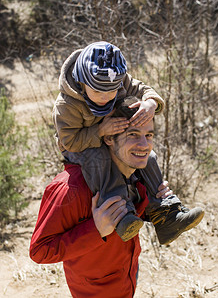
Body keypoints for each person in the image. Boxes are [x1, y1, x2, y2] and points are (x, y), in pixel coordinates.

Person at [30, 96, 203, 297]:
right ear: (109, 137)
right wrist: (96, 230)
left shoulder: (138, 173)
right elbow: (39, 251)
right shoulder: (71, 188)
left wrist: (156, 206)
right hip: (94, 291)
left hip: (127, 277)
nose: (144, 145)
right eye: (133, 134)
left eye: (148, 135)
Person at [52, 41, 204, 244]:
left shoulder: (117, 79)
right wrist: (99, 130)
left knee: (146, 156)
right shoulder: (67, 104)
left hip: (112, 135)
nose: (105, 98)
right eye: (98, 92)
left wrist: (151, 102)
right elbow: (70, 141)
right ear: (82, 82)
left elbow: (143, 89)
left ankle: (166, 213)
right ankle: (122, 214)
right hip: (80, 145)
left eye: (111, 92)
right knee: (99, 158)